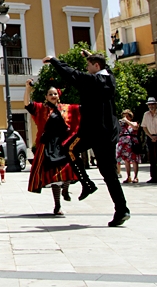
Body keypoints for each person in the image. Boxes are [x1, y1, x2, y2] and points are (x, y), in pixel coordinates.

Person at [44, 50, 129, 228]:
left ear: (96, 66)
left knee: (69, 148)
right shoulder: (110, 78)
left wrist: (54, 61)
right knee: (109, 173)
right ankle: (120, 208)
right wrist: (90, 56)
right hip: (108, 132)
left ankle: (87, 183)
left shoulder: (94, 81)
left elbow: (73, 74)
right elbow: (105, 68)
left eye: (89, 65)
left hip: (95, 132)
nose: (86, 68)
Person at [23, 80, 79, 216]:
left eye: (55, 93)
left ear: (58, 95)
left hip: (63, 145)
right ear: (46, 97)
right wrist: (28, 89)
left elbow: (78, 115)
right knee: (55, 177)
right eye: (50, 94)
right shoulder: (41, 108)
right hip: (47, 146)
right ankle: (57, 205)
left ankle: (65, 189)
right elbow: (26, 104)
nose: (53, 96)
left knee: (71, 171)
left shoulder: (66, 108)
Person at [116, 110, 141, 183]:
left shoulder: (133, 123)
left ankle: (136, 177)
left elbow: (135, 127)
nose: (125, 117)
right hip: (124, 144)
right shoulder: (122, 125)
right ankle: (128, 176)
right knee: (126, 160)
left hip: (132, 144)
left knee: (134, 160)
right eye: (124, 116)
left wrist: (127, 121)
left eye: (127, 116)